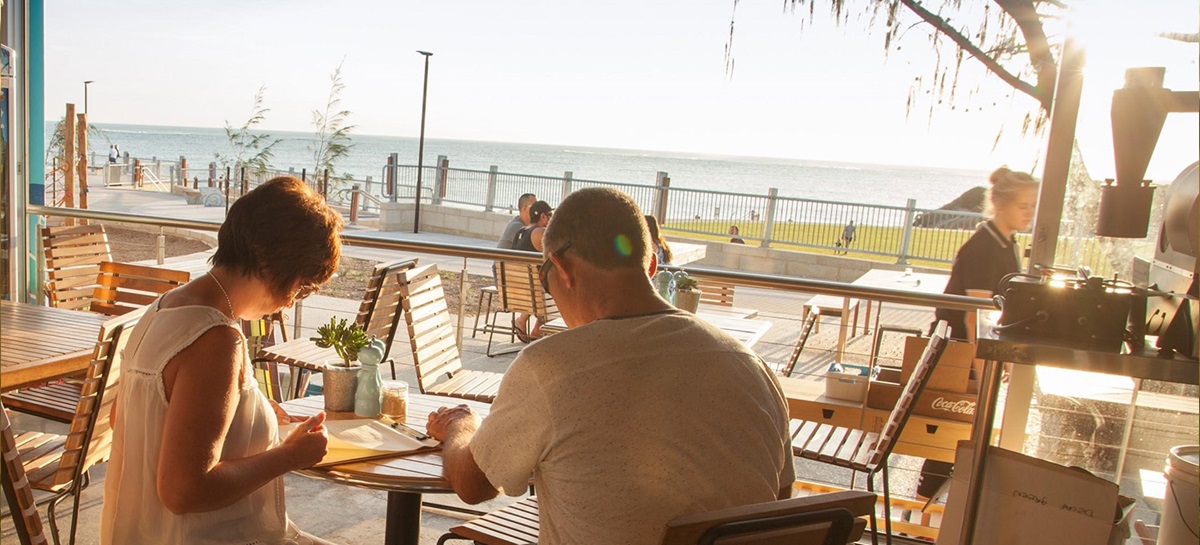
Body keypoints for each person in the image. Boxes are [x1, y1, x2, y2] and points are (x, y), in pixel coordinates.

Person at [426, 187, 794, 545]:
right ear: (650, 266)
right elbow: (780, 495)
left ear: (562, 267)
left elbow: (472, 485)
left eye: (544, 278)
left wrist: (460, 425)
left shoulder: (550, 367)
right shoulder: (751, 366)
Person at [100, 176, 341, 545]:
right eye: (300, 285)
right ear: (272, 262)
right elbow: (184, 492)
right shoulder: (217, 339)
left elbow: (128, 417)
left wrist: (245, 412)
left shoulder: (165, 308)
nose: (292, 301)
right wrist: (288, 456)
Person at [917, 166, 1039, 503]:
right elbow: (974, 315)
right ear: (1001, 205)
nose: (1029, 213)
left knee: (957, 431)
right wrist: (983, 366)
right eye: (1023, 206)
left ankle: (937, 501)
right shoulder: (983, 247)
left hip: (967, 347)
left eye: (1032, 206)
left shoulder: (1005, 242)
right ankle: (926, 500)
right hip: (957, 348)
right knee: (948, 431)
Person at [511, 200, 553, 341]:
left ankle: (522, 320)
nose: (552, 218)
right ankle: (538, 331)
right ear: (543, 217)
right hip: (534, 291)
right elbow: (556, 255)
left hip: (516, 288)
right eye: (550, 215)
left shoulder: (521, 232)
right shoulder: (540, 233)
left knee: (537, 285)